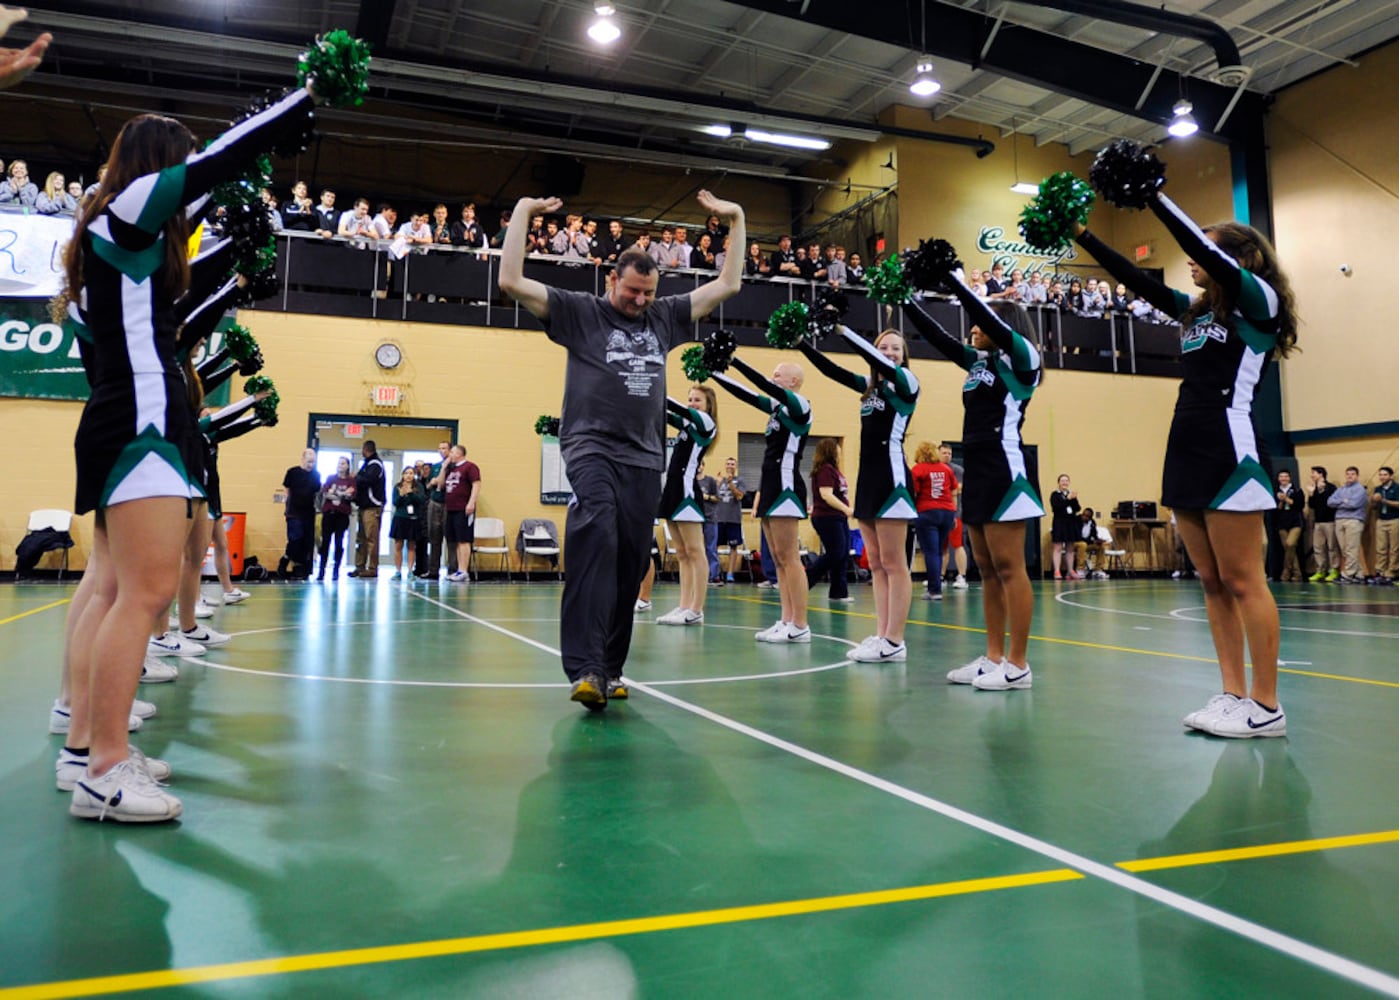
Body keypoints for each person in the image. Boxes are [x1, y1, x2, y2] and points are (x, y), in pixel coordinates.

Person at [54, 84, 320, 822]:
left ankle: (92, 747)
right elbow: (216, 164)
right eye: (177, 168)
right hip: (139, 419)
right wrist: (305, 94)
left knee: (123, 592)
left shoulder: (129, 232)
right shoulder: (131, 206)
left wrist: (242, 245)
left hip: (140, 417)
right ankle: (102, 768)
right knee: (138, 595)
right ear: (153, 168)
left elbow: (206, 213)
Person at [498, 188, 746, 710]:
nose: (639, 301)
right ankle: (584, 666)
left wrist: (736, 218)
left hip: (645, 458)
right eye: (632, 290)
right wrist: (523, 212)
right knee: (598, 535)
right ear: (612, 279)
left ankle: (609, 671)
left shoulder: (665, 317)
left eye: (648, 293)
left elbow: (729, 282)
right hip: (590, 447)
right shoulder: (579, 312)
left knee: (633, 560)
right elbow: (511, 280)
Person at [1072, 180, 1300, 737]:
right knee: (1211, 581)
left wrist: (1149, 195)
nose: (1192, 260)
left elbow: (1198, 249)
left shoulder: (1260, 303)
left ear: (1239, 259)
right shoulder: (1196, 313)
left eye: (1206, 249)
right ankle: (1231, 693)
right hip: (1187, 444)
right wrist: (1082, 235)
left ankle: (1266, 706)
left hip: (1232, 448)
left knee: (1245, 580)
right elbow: (1132, 279)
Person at [902, 277, 1044, 691]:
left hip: (1005, 468)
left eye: (981, 324)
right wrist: (906, 301)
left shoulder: (1023, 358)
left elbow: (987, 320)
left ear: (1003, 325)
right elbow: (940, 338)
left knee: (1009, 567)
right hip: (978, 465)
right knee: (986, 569)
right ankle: (993, 657)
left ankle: (1018, 664)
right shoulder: (980, 363)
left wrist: (954, 283)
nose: (972, 330)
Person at [798, 325, 919, 661]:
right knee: (877, 564)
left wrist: (840, 328)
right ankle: (882, 634)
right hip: (868, 478)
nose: (890, 353)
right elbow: (831, 370)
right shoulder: (869, 389)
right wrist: (802, 343)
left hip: (893, 480)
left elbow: (872, 356)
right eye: (884, 347)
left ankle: (896, 640)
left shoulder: (908, 384)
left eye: (896, 349)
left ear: (903, 356)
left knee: (895, 564)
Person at [713, 357, 813, 644]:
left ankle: (801, 624)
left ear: (793, 382)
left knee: (790, 558)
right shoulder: (777, 409)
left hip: (786, 486)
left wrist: (734, 360)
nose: (773, 378)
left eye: (778, 375)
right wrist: (717, 372)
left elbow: (759, 383)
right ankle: (786, 619)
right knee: (778, 559)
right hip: (769, 485)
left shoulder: (800, 406)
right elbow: (746, 394)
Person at [657, 386, 718, 624]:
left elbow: (673, 406)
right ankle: (684, 606)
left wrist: (653, 386)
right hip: (672, 489)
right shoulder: (687, 425)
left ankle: (696, 609)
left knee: (695, 551)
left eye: (698, 400)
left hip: (687, 492)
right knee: (682, 553)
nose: (692, 403)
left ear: (708, 405)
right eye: (690, 399)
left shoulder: (705, 423)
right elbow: (663, 410)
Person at [805, 438, 854, 603]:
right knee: (835, 553)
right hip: (827, 517)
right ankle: (804, 581)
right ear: (830, 451)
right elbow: (826, 494)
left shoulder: (834, 470)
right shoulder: (826, 469)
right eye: (837, 448)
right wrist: (846, 509)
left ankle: (839, 593)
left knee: (842, 554)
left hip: (838, 518)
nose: (840, 450)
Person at [910, 441, 958, 601]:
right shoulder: (946, 469)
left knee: (930, 552)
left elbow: (913, 493)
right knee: (938, 550)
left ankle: (934, 590)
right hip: (947, 512)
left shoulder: (918, 470)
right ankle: (935, 586)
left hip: (927, 512)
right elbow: (954, 491)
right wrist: (955, 513)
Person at [442, 443, 481, 583]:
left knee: (464, 539)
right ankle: (459, 569)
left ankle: (464, 570)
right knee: (456, 540)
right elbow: (441, 485)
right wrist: (443, 467)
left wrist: (471, 502)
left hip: (463, 508)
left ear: (459, 454)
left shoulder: (470, 467)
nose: (449, 455)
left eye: (452, 452)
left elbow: (476, 484)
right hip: (451, 508)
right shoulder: (451, 469)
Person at [279, 448, 319, 578]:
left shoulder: (316, 475)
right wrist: (288, 504)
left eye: (313, 462)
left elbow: (317, 493)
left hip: (308, 512)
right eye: (309, 462)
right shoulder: (293, 472)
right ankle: (285, 559)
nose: (310, 465)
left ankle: (299, 568)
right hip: (294, 512)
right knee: (295, 539)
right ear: (303, 459)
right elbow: (287, 489)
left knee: (305, 542)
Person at [349, 440, 386, 578]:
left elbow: (367, 481)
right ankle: (359, 566)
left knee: (371, 539)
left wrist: (355, 477)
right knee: (361, 538)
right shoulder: (367, 464)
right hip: (364, 506)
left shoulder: (375, 464)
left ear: (365, 449)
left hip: (373, 506)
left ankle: (372, 567)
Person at [1327, 466, 1368, 584]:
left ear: (1357, 476)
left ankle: (1348, 575)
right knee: (1345, 549)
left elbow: (1354, 504)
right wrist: (1344, 501)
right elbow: (1330, 502)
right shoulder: (1341, 489)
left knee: (1352, 548)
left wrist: (1340, 502)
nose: (1350, 476)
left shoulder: (1360, 489)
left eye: (1352, 474)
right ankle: (1359, 574)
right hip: (1339, 519)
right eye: (1348, 474)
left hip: (1354, 520)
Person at [317, 455, 356, 580]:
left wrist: (335, 493)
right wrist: (342, 494)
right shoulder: (330, 478)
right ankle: (321, 570)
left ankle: (336, 570)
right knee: (326, 542)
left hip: (342, 515)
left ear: (348, 466)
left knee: (339, 542)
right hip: (329, 514)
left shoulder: (351, 481)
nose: (341, 465)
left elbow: (351, 496)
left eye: (343, 463)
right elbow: (326, 494)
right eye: (339, 463)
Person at [939, 442, 970, 589]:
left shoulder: (957, 470)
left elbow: (959, 489)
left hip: (955, 513)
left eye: (949, 453)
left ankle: (962, 576)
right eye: (944, 453)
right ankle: (941, 576)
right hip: (939, 514)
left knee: (958, 545)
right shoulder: (935, 469)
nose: (947, 456)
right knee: (942, 547)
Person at [422, 440, 453, 579]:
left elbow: (445, 483)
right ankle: (433, 570)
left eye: (445, 448)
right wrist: (432, 482)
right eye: (439, 448)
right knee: (434, 538)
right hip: (435, 502)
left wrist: (439, 480)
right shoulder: (434, 466)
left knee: (451, 539)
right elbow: (428, 485)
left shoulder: (453, 467)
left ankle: (453, 569)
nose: (442, 451)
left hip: (448, 503)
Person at [714, 457, 748, 583]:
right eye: (728, 463)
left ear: (736, 466)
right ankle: (715, 572)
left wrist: (731, 484)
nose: (730, 466)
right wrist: (717, 484)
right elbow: (713, 498)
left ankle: (730, 574)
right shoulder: (719, 480)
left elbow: (739, 496)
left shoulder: (740, 481)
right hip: (719, 518)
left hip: (733, 519)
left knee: (733, 547)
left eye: (732, 464)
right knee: (714, 546)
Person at [388, 467, 425, 579]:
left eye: (411, 473)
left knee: (411, 546)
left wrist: (411, 493)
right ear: (402, 475)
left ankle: (410, 571)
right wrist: (402, 494)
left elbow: (421, 500)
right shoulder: (397, 487)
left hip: (413, 519)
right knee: (398, 545)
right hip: (400, 518)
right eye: (406, 473)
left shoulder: (418, 487)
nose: (409, 475)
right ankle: (398, 571)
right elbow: (395, 502)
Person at [1306, 466, 1338, 582]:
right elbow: (1312, 506)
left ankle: (1333, 569)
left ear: (1321, 474)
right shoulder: (1314, 488)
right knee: (1318, 547)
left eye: (1314, 473)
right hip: (1318, 522)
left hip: (1330, 521)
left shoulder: (1330, 487)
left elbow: (1330, 504)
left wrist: (1322, 491)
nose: (1312, 475)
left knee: (1331, 547)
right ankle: (1320, 570)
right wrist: (1311, 494)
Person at [1049, 474, 1083, 580]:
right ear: (1058, 482)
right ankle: (1057, 571)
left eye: (1066, 480)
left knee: (1070, 548)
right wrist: (1068, 499)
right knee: (1058, 547)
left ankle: (1070, 571)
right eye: (1062, 480)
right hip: (1059, 522)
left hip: (1070, 522)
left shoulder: (1070, 494)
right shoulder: (1055, 494)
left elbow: (1077, 508)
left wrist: (1073, 499)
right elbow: (1057, 507)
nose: (1064, 482)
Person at [1274, 469, 1304, 582]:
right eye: (1281, 477)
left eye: (1286, 476)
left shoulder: (1296, 490)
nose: (1283, 479)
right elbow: (1276, 509)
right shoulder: (1276, 491)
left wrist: (1286, 498)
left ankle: (1286, 571)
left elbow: (1298, 505)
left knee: (1290, 543)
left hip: (1295, 522)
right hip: (1282, 522)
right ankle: (1297, 574)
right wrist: (1280, 500)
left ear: (1289, 478)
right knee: (1288, 549)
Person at [696, 459, 722, 586]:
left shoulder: (710, 481)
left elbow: (718, 498)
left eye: (700, 464)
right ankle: (698, 575)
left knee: (710, 548)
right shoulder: (691, 481)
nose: (698, 466)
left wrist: (706, 497)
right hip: (695, 519)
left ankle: (713, 575)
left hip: (709, 518)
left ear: (703, 466)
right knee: (696, 549)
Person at [1371, 466, 1399, 585]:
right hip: (1381, 519)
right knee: (1380, 548)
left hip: (1394, 519)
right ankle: (1380, 572)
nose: (1382, 477)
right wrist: (1374, 501)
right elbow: (1373, 507)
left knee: (1394, 548)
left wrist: (1384, 501)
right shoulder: (1378, 488)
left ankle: (1392, 572)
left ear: (1390, 476)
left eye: (1385, 475)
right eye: (1380, 475)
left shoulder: (1396, 488)